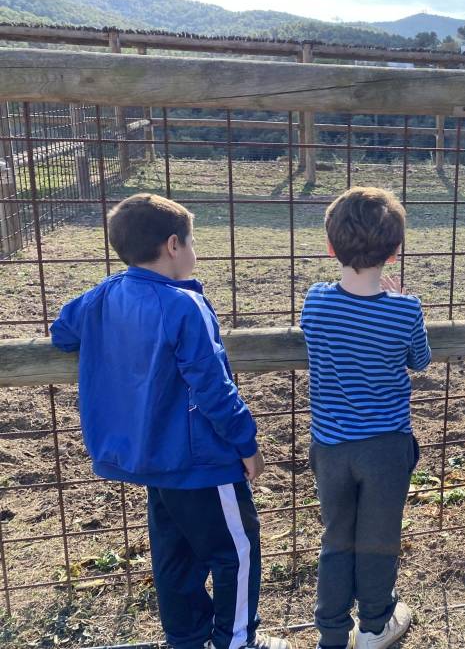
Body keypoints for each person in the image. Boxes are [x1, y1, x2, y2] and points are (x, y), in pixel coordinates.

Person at [49, 194, 288, 649]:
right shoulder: (184, 306)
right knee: (236, 551)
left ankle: (187, 639)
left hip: (150, 458)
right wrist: (246, 443)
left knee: (174, 554)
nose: (196, 250)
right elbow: (214, 386)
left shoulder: (103, 296)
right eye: (193, 241)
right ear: (173, 244)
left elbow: (63, 332)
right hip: (202, 460)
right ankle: (237, 641)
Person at [300, 187, 431, 649]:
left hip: (331, 447)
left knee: (337, 537)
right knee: (379, 538)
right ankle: (375, 625)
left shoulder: (315, 301)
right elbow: (420, 360)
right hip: (385, 447)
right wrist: (400, 303)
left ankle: (333, 633)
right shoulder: (405, 309)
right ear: (395, 252)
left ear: (330, 246)